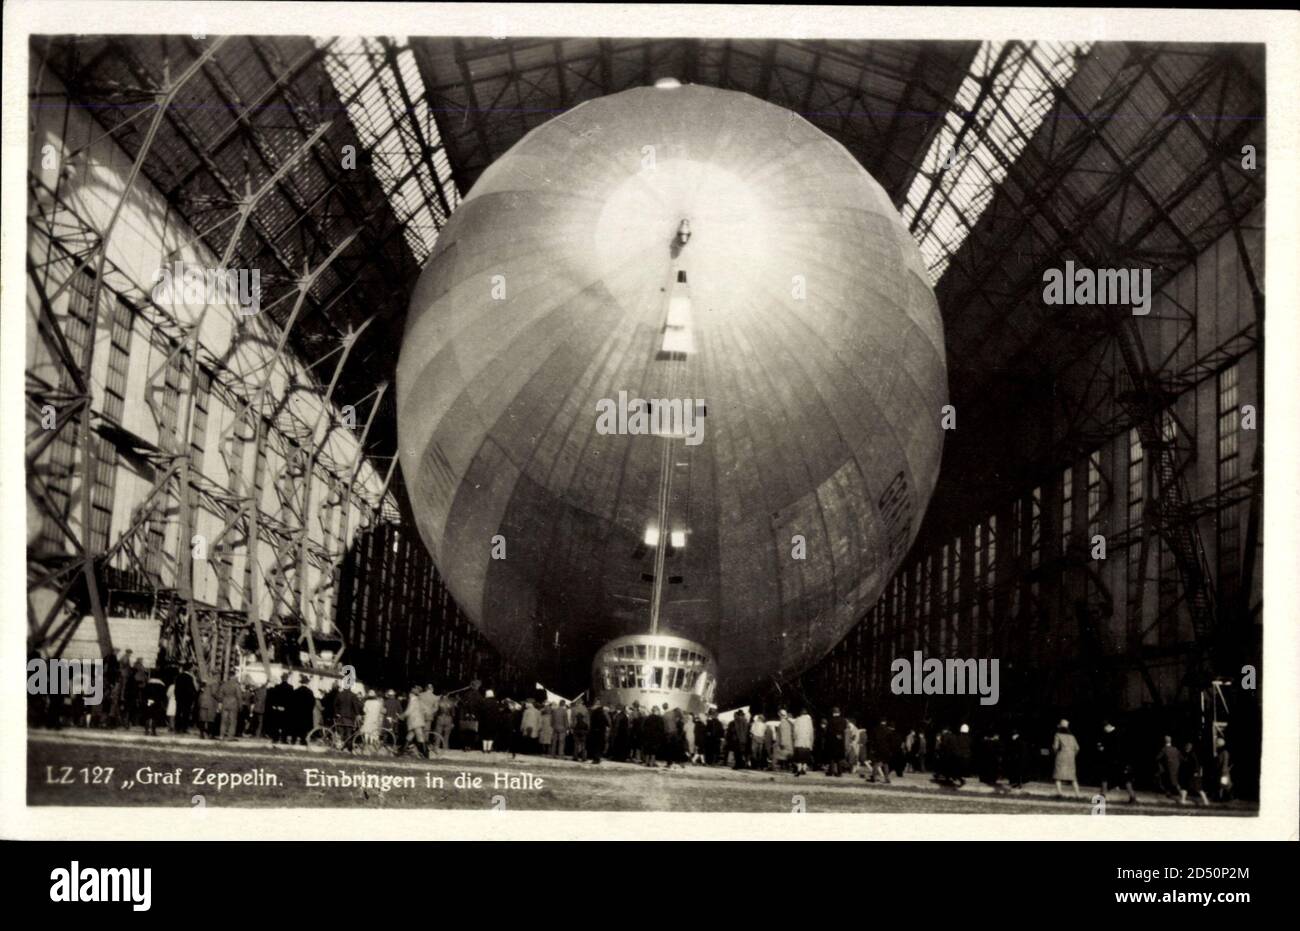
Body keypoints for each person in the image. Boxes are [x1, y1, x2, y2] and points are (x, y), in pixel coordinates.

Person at [1097, 721, 1137, 804]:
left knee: (1105, 777)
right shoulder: (1120, 733)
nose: (1104, 731)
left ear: (1107, 727)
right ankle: (1133, 797)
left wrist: (1102, 748)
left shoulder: (1110, 736)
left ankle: (1102, 796)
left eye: (1104, 729)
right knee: (1126, 780)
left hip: (1112, 761)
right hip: (1122, 761)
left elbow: (1109, 750)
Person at [1052, 719, 1081, 798]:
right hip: (1071, 757)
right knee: (1072, 777)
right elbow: (1077, 748)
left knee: (1058, 776)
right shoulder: (1072, 736)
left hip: (1061, 756)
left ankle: (1060, 793)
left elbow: (1056, 747)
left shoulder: (1057, 735)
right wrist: (1073, 755)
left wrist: (1054, 751)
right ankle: (1077, 794)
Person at [1179, 741, 1211, 807]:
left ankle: (1206, 801)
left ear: (1190, 748)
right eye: (1186, 747)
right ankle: (1182, 800)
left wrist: (1196, 772)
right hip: (1190, 774)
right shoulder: (1188, 755)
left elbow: (1196, 764)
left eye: (1187, 747)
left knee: (1198, 788)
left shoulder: (1192, 755)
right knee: (1185, 786)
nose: (1186, 749)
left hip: (1194, 774)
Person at [403, 686, 430, 757]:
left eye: (410, 693)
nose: (409, 694)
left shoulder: (413, 700)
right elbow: (425, 710)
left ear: (412, 694)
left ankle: (425, 754)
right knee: (409, 736)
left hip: (415, 721)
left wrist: (402, 715)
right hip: (418, 721)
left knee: (420, 738)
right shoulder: (418, 700)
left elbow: (409, 710)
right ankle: (402, 751)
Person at [267, 673, 293, 744]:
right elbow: (291, 700)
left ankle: (275, 738)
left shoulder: (277, 687)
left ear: (281, 678)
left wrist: (275, 706)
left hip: (278, 708)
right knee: (285, 725)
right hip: (286, 709)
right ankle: (283, 739)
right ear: (287, 678)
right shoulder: (290, 687)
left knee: (276, 724)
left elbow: (274, 698)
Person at [293, 676, 317, 745]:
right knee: (304, 728)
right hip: (306, 713)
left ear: (301, 682)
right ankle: (303, 740)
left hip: (297, 713)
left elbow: (292, 702)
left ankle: (293, 740)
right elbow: (313, 703)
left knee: (296, 726)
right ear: (307, 683)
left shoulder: (296, 691)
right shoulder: (310, 692)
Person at [219, 673, 243, 740]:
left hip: (225, 703)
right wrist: (240, 705)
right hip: (233, 704)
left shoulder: (224, 685)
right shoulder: (236, 685)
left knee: (223, 721)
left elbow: (220, 696)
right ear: (233, 677)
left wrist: (221, 702)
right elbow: (239, 696)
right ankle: (230, 736)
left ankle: (221, 735)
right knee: (232, 721)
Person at [825, 708, 848, 776]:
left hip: (832, 741)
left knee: (831, 757)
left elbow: (828, 731)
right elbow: (844, 729)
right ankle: (839, 772)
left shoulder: (830, 720)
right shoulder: (844, 720)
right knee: (839, 758)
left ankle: (831, 771)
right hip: (840, 741)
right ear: (839, 712)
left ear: (833, 712)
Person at [792, 707, 815, 776]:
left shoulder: (797, 720)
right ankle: (804, 769)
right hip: (807, 741)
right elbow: (811, 732)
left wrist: (794, 738)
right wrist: (811, 741)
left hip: (799, 741)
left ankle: (799, 769)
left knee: (799, 756)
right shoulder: (809, 721)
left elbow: (795, 731)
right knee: (805, 756)